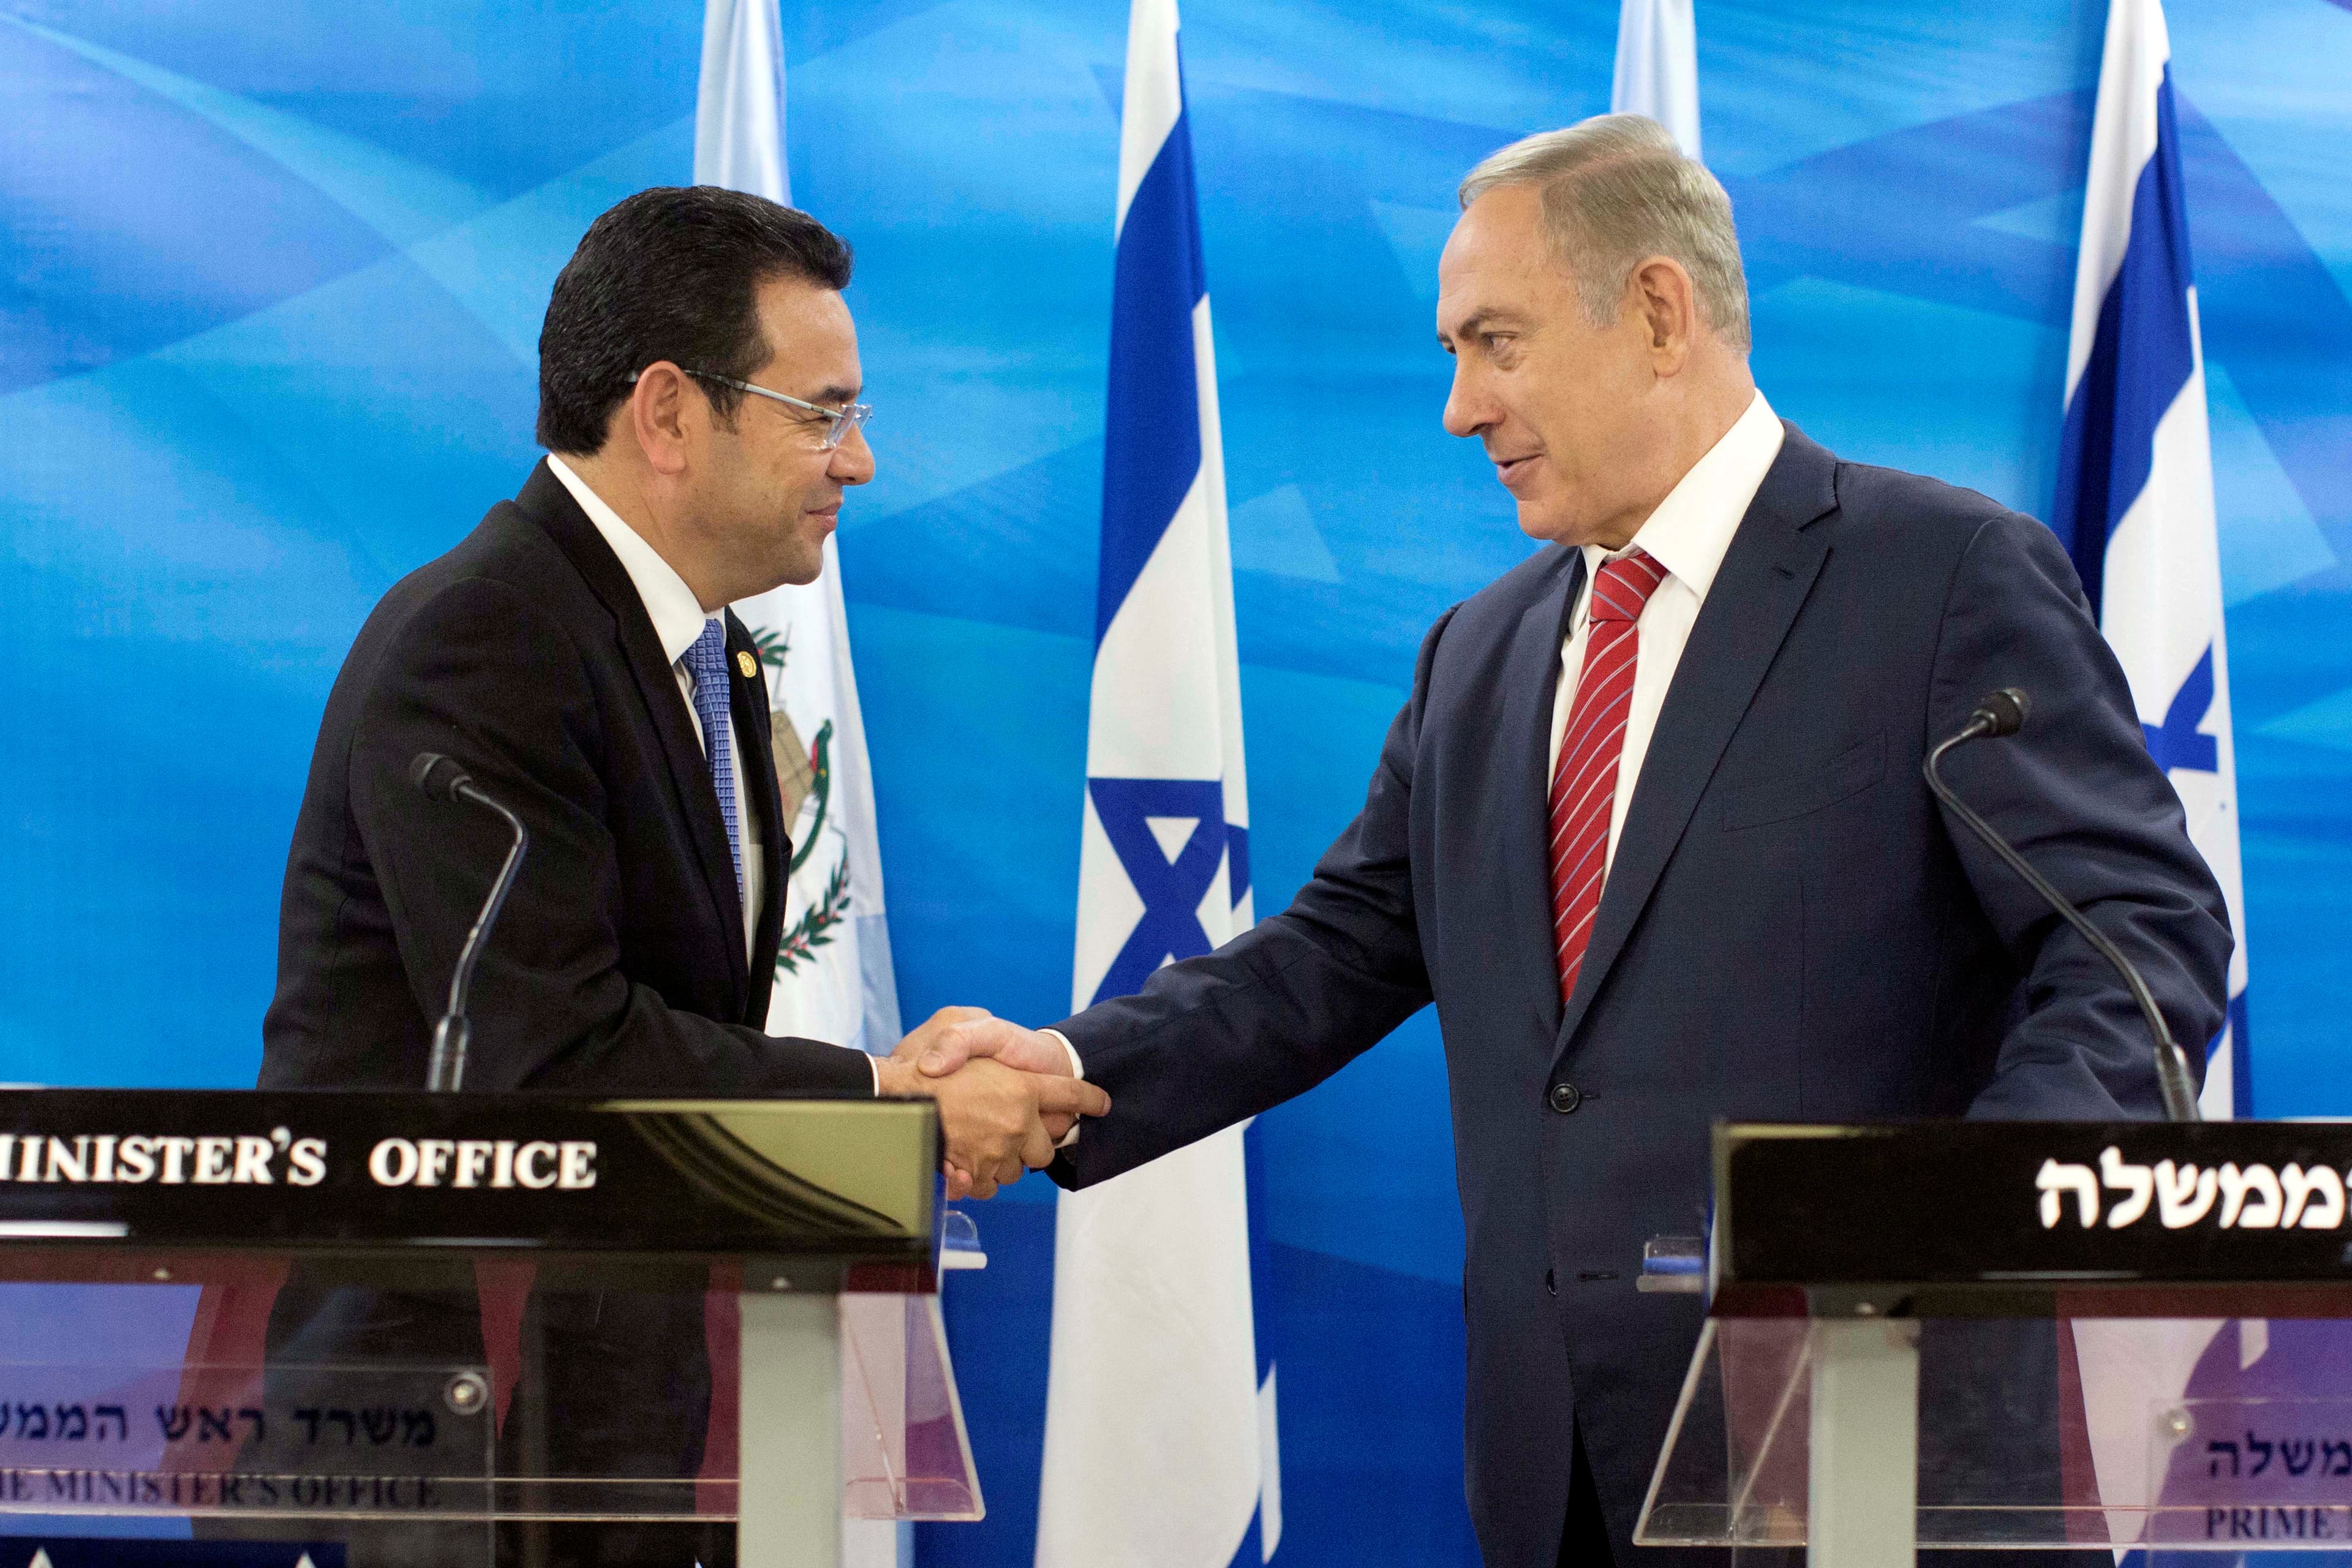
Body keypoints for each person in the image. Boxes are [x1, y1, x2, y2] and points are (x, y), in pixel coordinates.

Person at [909, 116, 2233, 1567]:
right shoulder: (1481, 650)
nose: (1459, 406)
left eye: (1496, 342)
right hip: (1562, 1475)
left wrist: (1966, 1227)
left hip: (1876, 1434)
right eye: (1450, 352)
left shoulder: (1940, 576)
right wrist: (1083, 1067)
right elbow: (1339, 952)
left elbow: (2134, 934)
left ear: (1659, 311)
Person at [257, 186, 1105, 1566]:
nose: (862, 461)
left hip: (610, 1426)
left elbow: (659, 1015)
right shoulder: (482, 640)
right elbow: (546, 1052)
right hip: (447, 1446)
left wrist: (879, 1085)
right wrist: (878, 1092)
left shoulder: (701, 653)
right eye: (823, 414)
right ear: (667, 412)